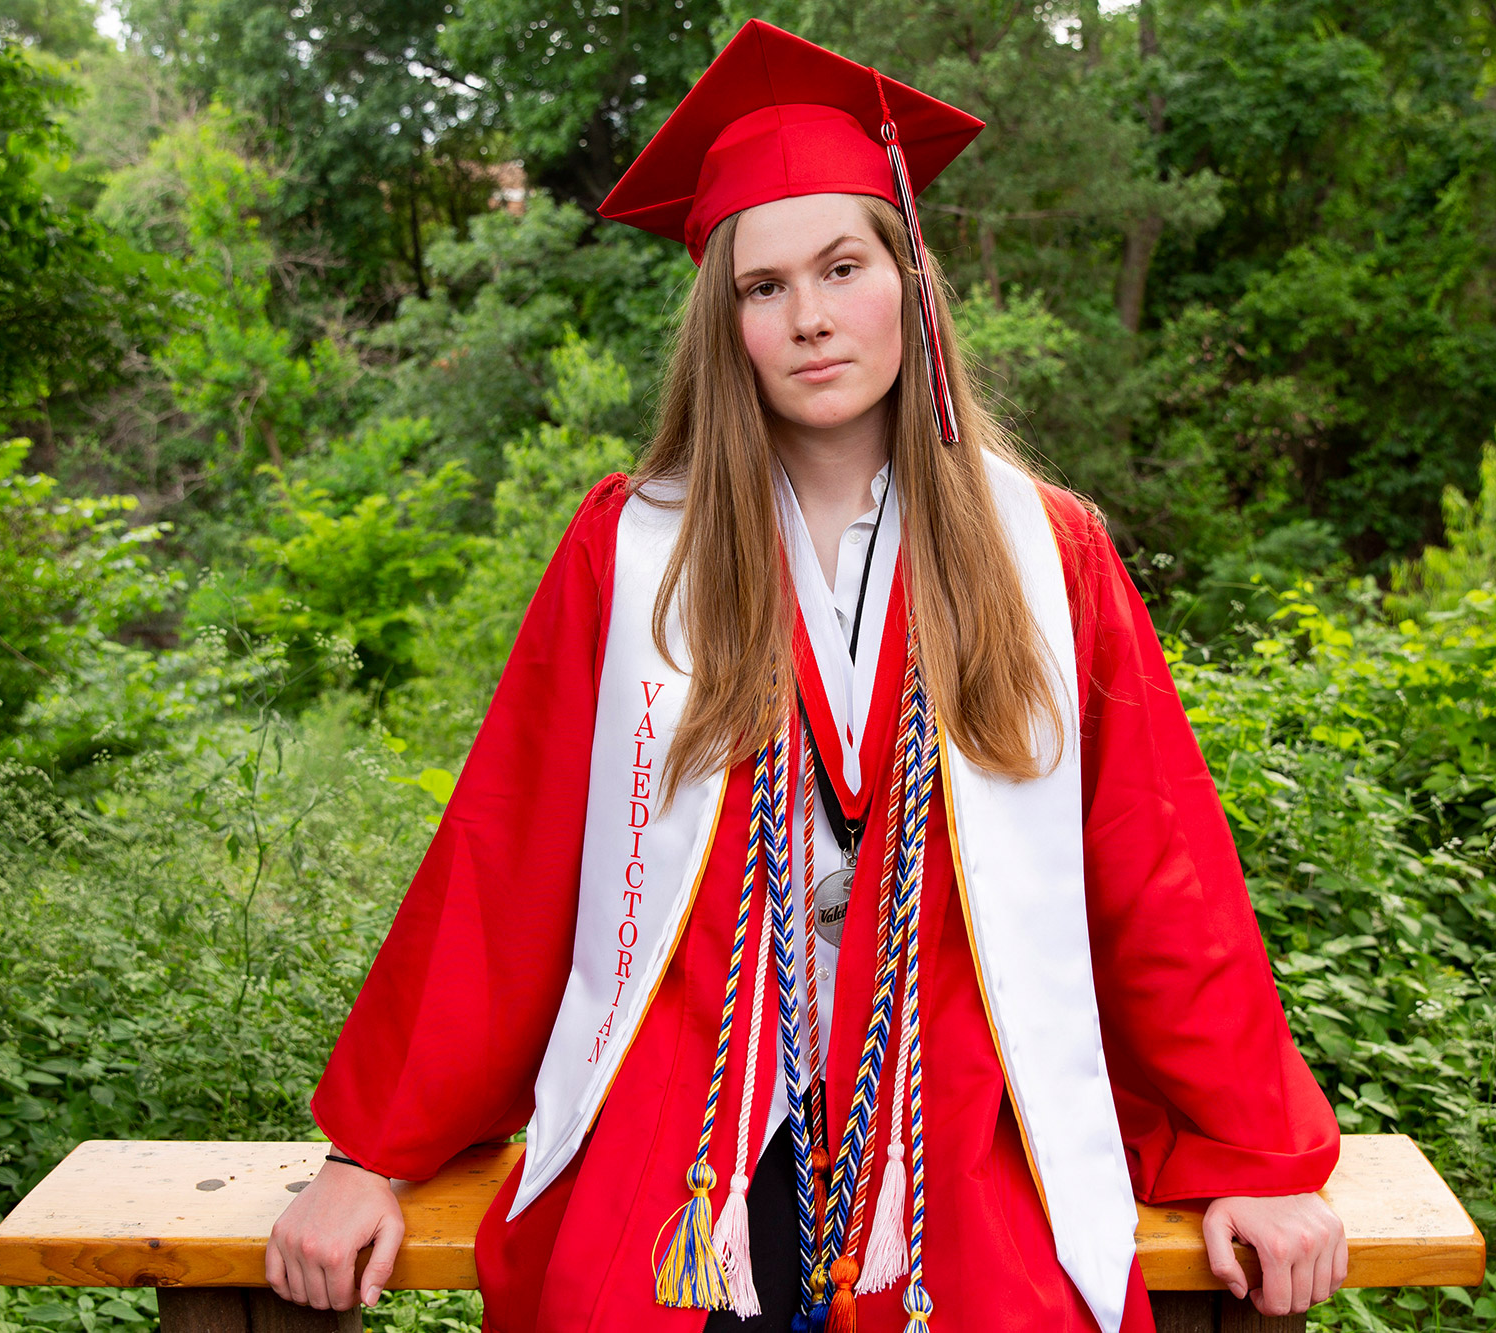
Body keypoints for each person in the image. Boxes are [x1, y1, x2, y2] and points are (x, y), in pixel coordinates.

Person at [265, 20, 1347, 1333]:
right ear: (725, 324)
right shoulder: (633, 549)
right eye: (762, 286)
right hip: (694, 1116)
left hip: (955, 1096)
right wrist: (371, 1149)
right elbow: (510, 857)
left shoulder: (1045, 554)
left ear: (911, 279)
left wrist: (1257, 1155)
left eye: (843, 266)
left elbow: (1153, 863)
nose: (811, 317)